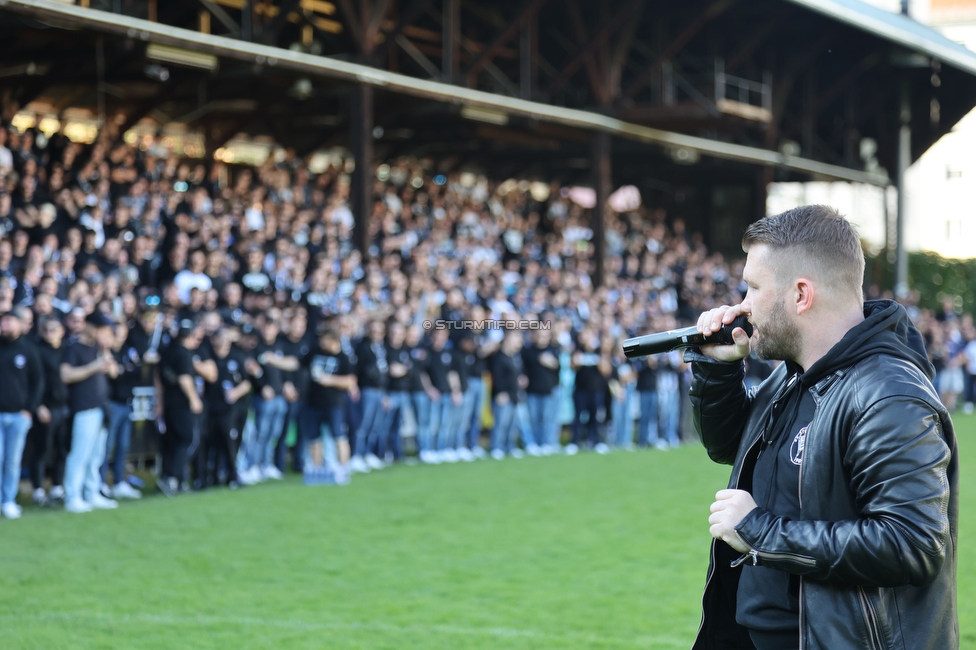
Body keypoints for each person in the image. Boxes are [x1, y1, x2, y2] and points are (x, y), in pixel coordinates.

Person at [688, 206, 957, 649]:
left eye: (753, 288)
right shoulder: (796, 372)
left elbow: (912, 543)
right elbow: (733, 448)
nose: (742, 304)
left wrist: (759, 531)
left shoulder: (888, 396)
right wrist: (719, 373)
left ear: (800, 295)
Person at [60, 311, 119, 513]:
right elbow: (66, 375)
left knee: (97, 455)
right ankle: (72, 496)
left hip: (102, 407)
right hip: (83, 407)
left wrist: (105, 350)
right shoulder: (74, 348)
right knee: (80, 454)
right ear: (88, 326)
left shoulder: (98, 348)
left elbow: (114, 372)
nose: (100, 332)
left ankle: (91, 493)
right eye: (98, 328)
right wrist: (92, 367)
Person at [0, 307, 43, 518]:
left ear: (19, 324)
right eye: (3, 322)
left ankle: (8, 500)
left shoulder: (28, 349)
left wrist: (29, 409)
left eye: (9, 321)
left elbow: (38, 382)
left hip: (19, 415)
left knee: (12, 461)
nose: (4, 325)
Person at [158, 321, 205, 495]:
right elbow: (185, 379)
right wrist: (194, 400)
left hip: (169, 403)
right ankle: (172, 477)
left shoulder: (167, 351)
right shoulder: (184, 354)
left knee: (173, 442)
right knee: (188, 440)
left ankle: (173, 478)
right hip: (182, 404)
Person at [29, 316, 70, 505]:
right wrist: (38, 406)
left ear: (61, 331)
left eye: (54, 329)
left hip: (65, 406)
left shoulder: (66, 351)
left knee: (62, 449)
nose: (50, 334)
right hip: (46, 407)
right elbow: (34, 381)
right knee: (41, 450)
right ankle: (38, 490)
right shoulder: (37, 351)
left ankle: (57, 487)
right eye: (46, 330)